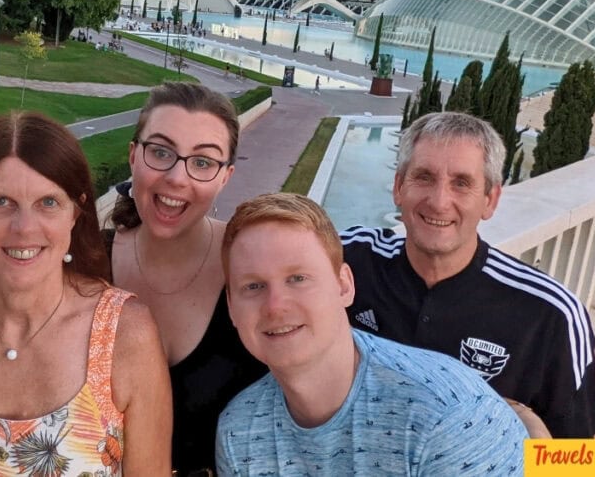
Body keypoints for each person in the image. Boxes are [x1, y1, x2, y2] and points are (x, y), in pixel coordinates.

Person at [0, 111, 171, 475]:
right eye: (1, 202)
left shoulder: (125, 337)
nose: (24, 228)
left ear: (75, 211)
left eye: (48, 202)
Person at [216, 192, 526, 475]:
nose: (275, 306)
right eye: (253, 286)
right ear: (231, 307)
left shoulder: (449, 418)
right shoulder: (239, 430)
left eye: (298, 278)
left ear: (344, 285)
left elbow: (571, 454)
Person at [340, 111, 595, 438]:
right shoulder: (348, 259)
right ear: (398, 187)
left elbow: (580, 459)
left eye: (461, 183)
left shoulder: (549, 317)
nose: (439, 202)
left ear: (490, 200)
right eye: (423, 177)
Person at [107, 82, 267, 475]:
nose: (177, 177)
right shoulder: (81, 265)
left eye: (202, 161)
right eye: (160, 152)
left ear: (225, 177)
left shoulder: (253, 269)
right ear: (133, 156)